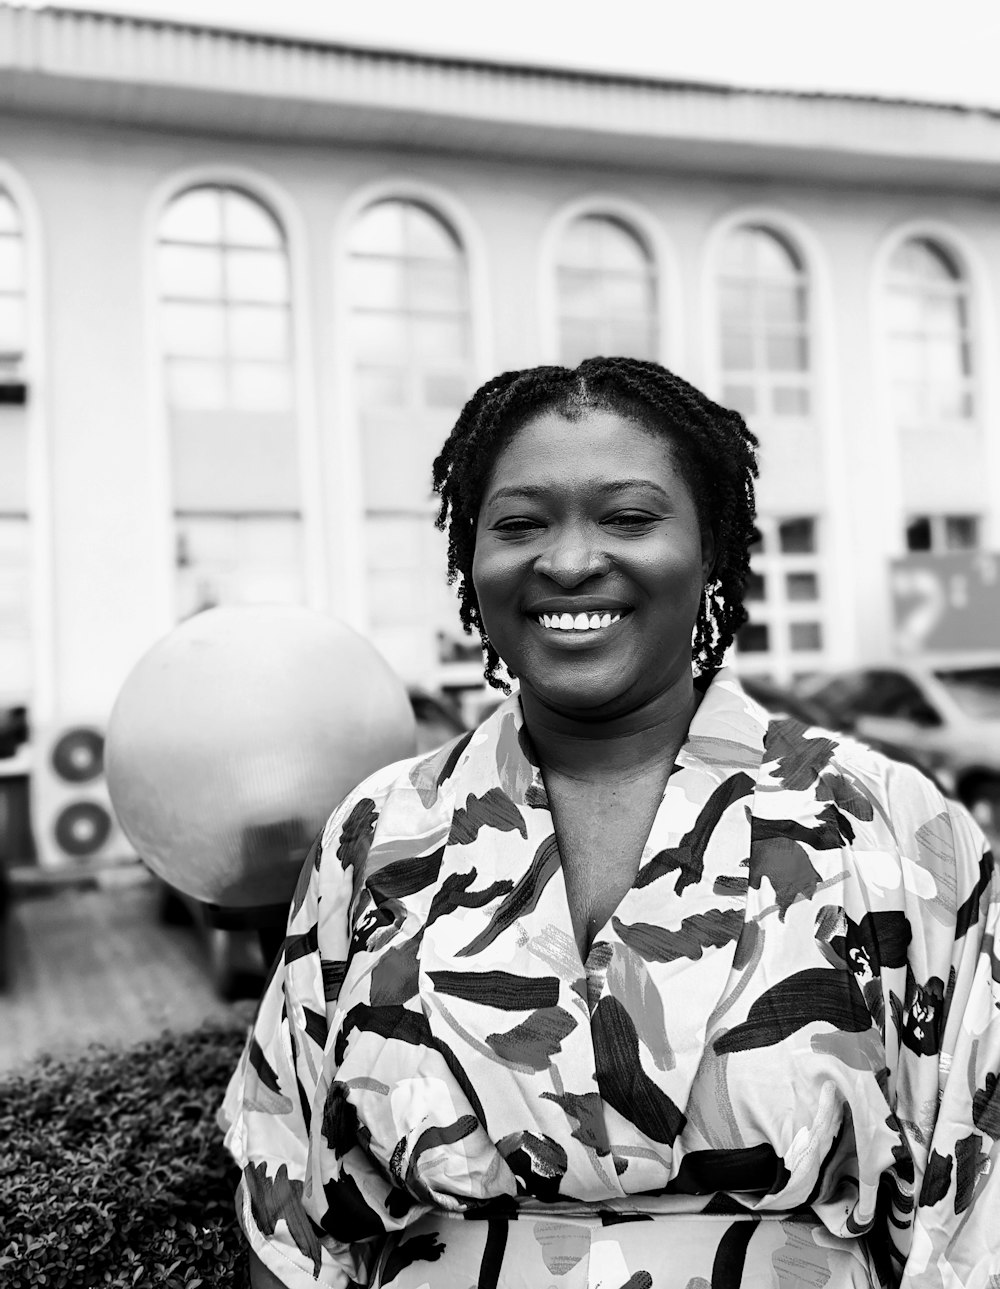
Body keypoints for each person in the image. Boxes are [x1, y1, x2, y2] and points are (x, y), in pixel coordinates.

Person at [220, 357, 1000, 1288]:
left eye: (628, 516)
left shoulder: (887, 823)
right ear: (471, 559)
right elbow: (288, 1196)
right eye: (519, 523)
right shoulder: (379, 834)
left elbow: (976, 1204)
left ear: (711, 547)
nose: (570, 559)